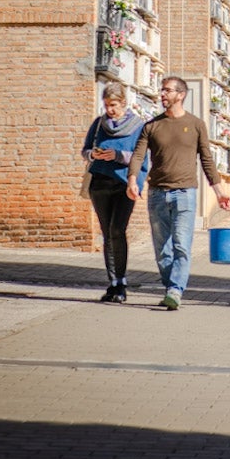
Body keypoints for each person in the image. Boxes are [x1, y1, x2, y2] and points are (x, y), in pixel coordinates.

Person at [128, 76, 230, 310]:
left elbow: (206, 159)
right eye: (161, 90)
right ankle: (171, 286)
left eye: (167, 90)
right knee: (162, 249)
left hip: (185, 193)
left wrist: (219, 191)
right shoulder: (151, 126)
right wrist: (132, 180)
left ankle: (175, 290)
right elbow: (137, 155)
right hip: (157, 194)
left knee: (182, 245)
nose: (162, 94)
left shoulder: (196, 125)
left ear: (181, 94)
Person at [80, 82, 149, 303]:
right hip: (100, 183)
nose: (110, 110)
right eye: (107, 105)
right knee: (106, 233)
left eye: (114, 105)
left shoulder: (138, 126)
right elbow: (85, 150)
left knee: (117, 230)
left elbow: (142, 157)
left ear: (124, 103)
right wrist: (95, 155)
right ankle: (112, 283)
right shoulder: (99, 124)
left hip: (123, 185)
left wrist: (117, 155)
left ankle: (122, 283)